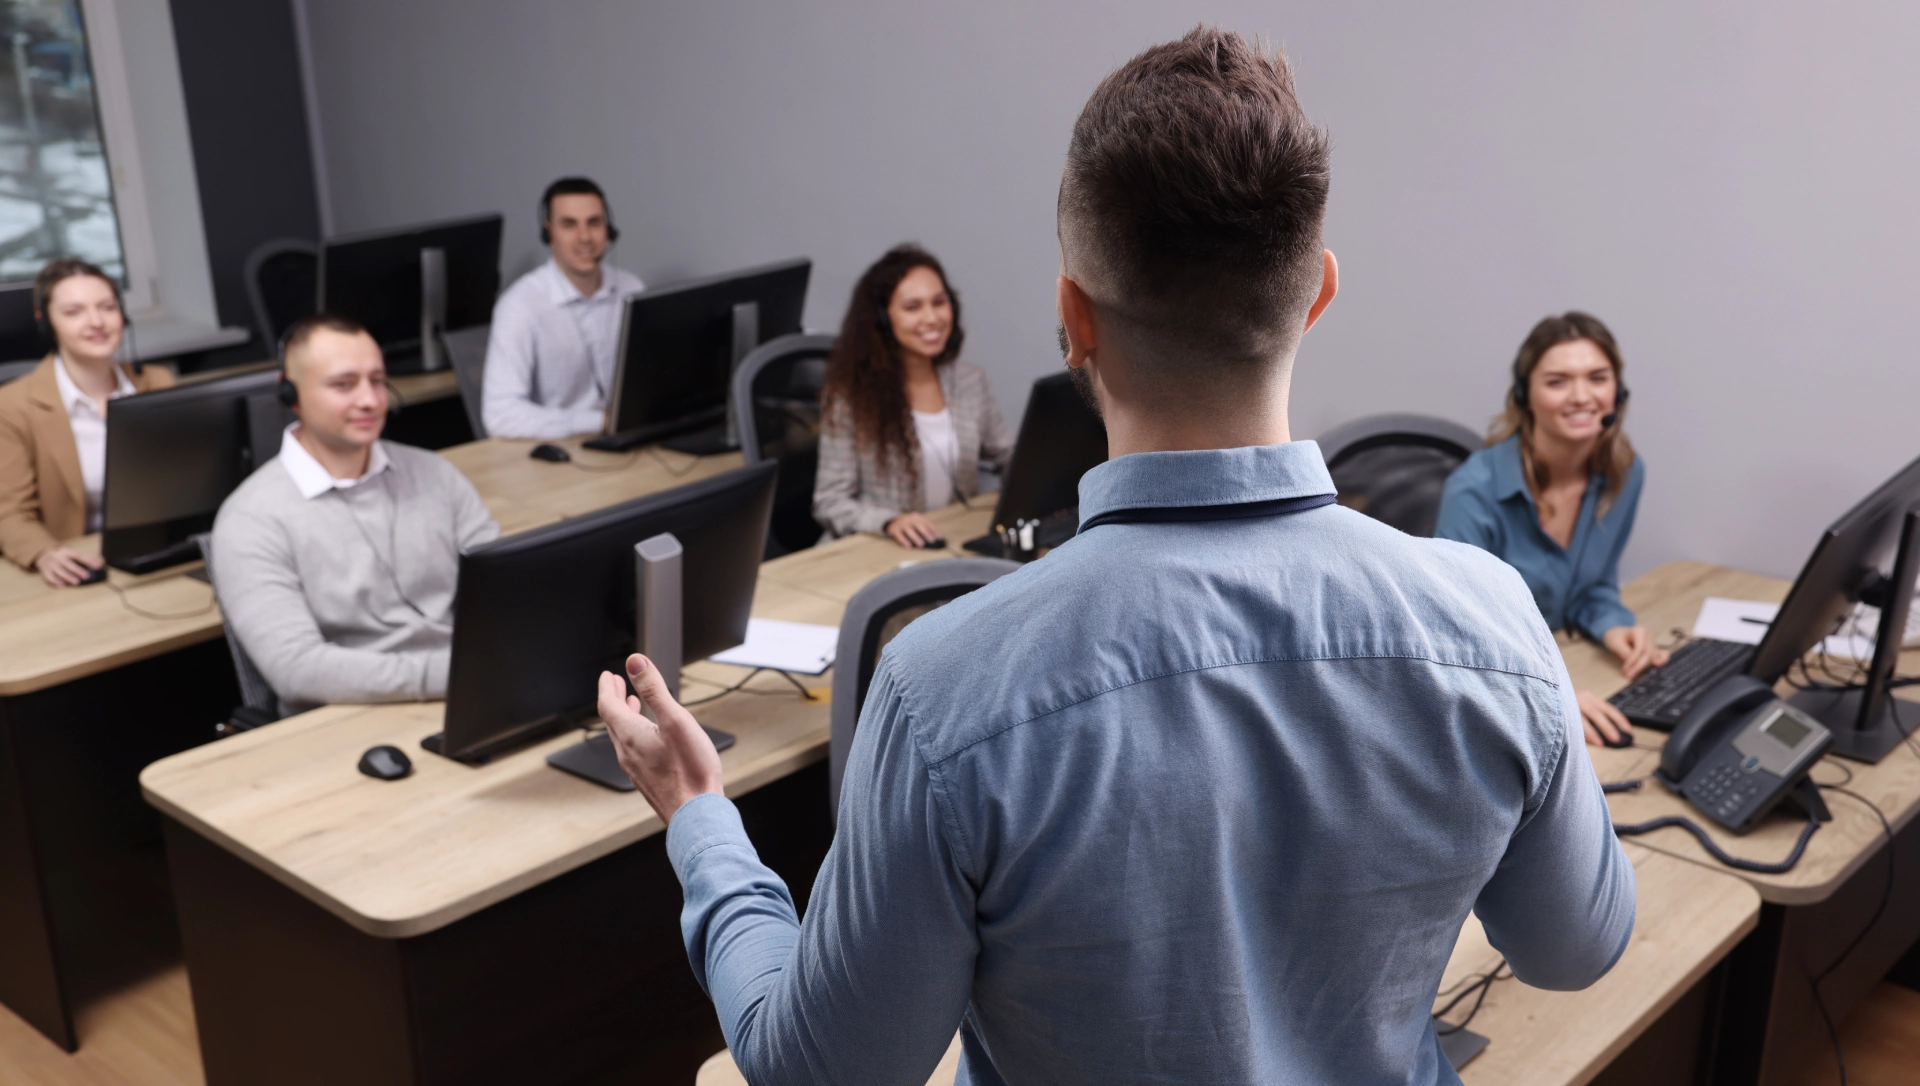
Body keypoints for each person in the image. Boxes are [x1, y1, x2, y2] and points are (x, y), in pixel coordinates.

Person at [599, 28, 1633, 1086]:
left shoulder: (940, 689)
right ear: (1318, 294)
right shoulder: (1493, 624)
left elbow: (821, 1072)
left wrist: (703, 823)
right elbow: (1576, 948)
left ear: (1073, 320)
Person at [211, 313, 499, 713]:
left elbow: (504, 596)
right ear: (290, 394)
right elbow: (298, 670)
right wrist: (462, 673)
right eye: (344, 385)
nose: (370, 400)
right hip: (350, 716)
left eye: (377, 380)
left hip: (471, 690)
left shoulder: (435, 474)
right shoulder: (250, 519)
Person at [1435, 312, 1664, 747]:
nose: (1581, 397)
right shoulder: (1474, 491)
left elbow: (1592, 586)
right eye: (1558, 382)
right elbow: (1456, 635)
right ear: (1525, 396)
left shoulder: (1623, 474)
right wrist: (1550, 695)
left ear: (1618, 392)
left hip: (1567, 659)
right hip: (1495, 691)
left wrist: (1613, 625)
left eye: (1598, 378)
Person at [813, 244, 1013, 547]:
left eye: (939, 302)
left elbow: (1010, 457)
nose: (931, 318)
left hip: (949, 539)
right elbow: (830, 501)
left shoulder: (971, 382)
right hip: (874, 547)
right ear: (883, 318)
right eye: (912, 307)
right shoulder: (850, 396)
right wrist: (888, 521)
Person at [0, 258, 174, 585]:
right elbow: (8, 513)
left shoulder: (158, 382)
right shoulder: (11, 407)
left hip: (158, 554)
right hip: (80, 567)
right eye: (74, 312)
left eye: (107, 307)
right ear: (46, 322)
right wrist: (44, 552)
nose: (96, 322)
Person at [482, 177, 646, 439]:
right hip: (561, 442)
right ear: (549, 233)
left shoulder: (631, 288)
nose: (585, 237)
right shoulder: (519, 306)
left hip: (630, 434)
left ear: (609, 229)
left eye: (594, 223)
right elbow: (501, 414)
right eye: (569, 224)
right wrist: (599, 422)